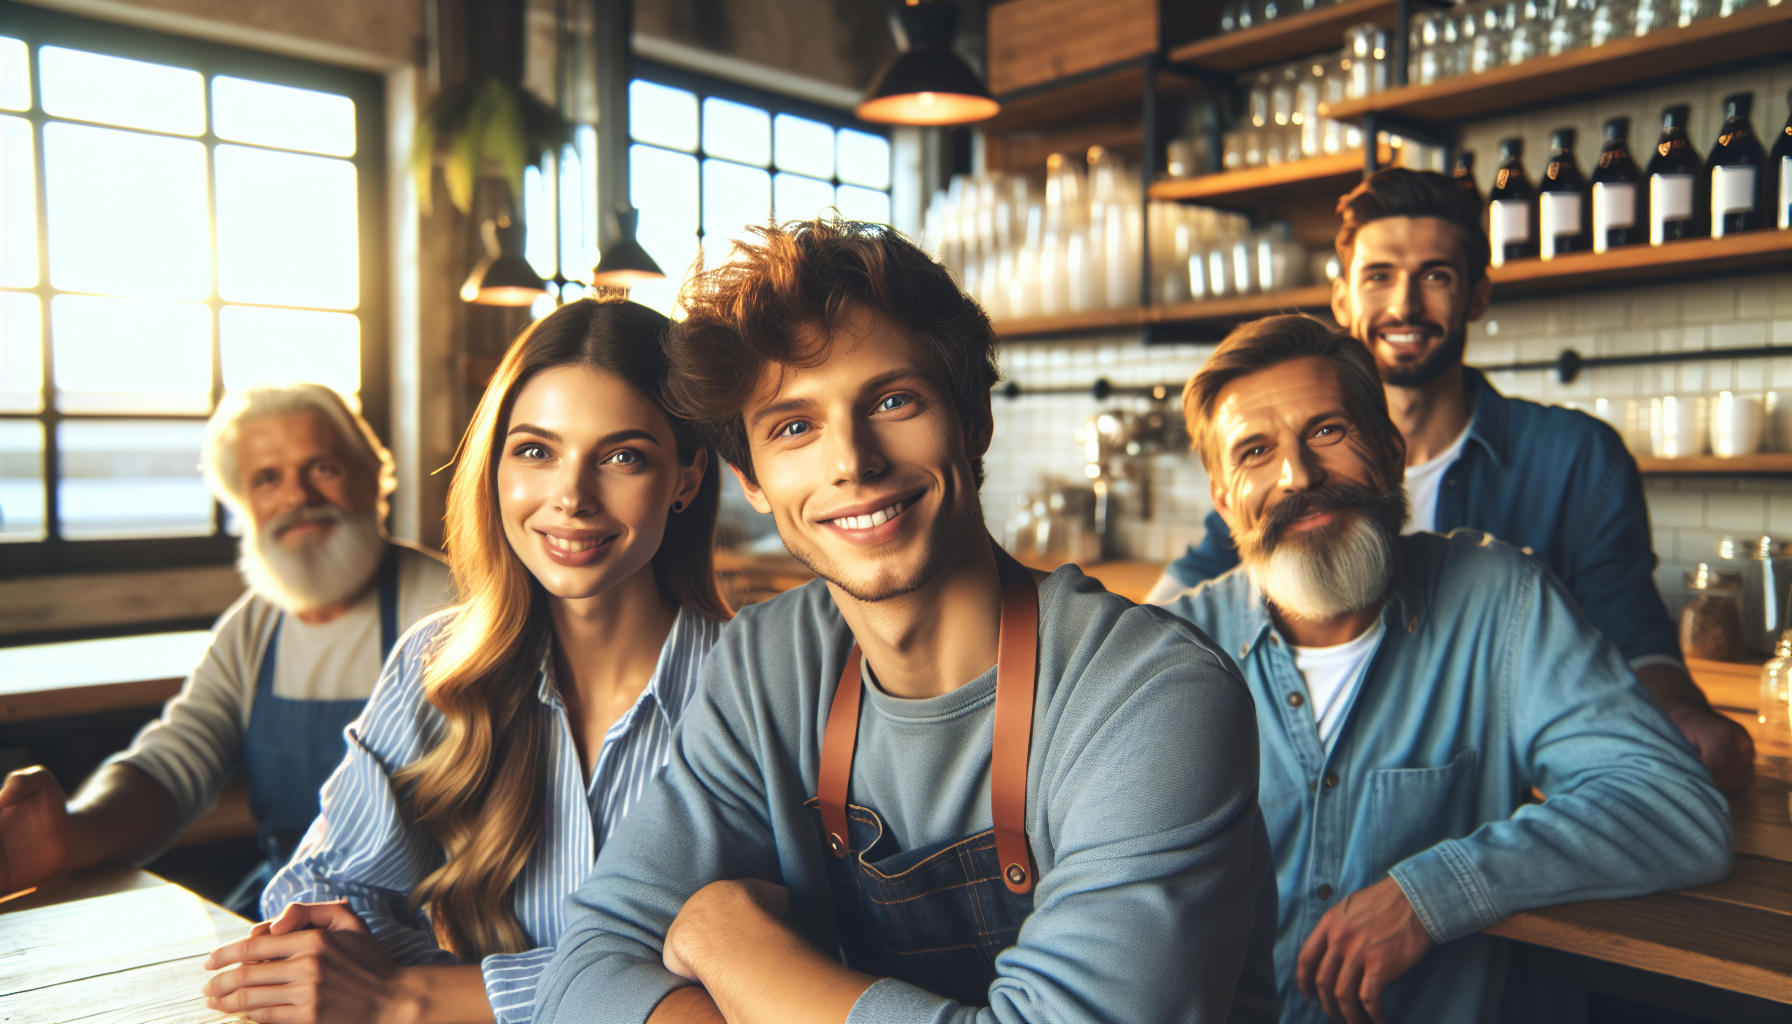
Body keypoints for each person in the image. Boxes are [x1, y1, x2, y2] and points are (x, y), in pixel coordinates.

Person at [532, 219, 1278, 1024]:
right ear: (749, 478)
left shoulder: (1149, 694)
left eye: (892, 400)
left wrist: (733, 949)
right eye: (794, 426)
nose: (852, 460)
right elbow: (586, 973)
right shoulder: (766, 668)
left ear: (974, 421)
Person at [1160, 314, 1732, 1024]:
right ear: (1224, 500)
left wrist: (1437, 890)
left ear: (1392, 451)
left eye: (1328, 432)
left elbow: (1675, 810)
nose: (1298, 476)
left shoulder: (1501, 602)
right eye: (1254, 451)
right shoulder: (1174, 652)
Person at [199, 299, 730, 1024]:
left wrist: (419, 996)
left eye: (622, 456)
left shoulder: (751, 685)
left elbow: (745, 979)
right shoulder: (436, 659)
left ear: (687, 481)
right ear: (497, 466)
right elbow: (320, 891)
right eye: (536, 451)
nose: (570, 498)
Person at [1149, 168, 1751, 792]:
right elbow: (1194, 594)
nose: (1405, 305)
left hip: (1514, 787)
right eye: (1379, 276)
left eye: (1435, 276)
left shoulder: (1574, 454)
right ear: (1343, 300)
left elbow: (1631, 625)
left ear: (1477, 296)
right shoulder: (1291, 476)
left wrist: (1677, 713)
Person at [0, 382, 452, 911]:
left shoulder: (448, 607)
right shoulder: (253, 629)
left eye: (323, 467)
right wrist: (72, 834)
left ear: (374, 476)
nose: (297, 497)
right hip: (285, 906)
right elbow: (172, 764)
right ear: (244, 504)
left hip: (427, 920)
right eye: (267, 479)